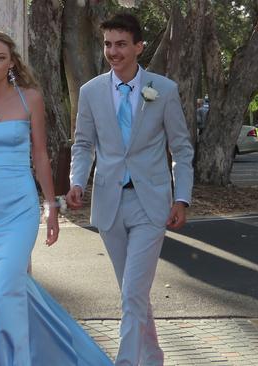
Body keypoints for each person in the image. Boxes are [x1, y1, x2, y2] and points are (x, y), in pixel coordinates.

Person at [0, 30, 112, 366]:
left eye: (0, 57)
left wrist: (52, 207)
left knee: (7, 282)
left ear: (12, 62)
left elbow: (40, 155)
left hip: (19, 204)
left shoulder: (29, 98)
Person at [66, 13, 194, 366]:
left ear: (139, 46)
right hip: (108, 204)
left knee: (133, 292)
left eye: (121, 44)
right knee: (132, 294)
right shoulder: (90, 91)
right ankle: (152, 356)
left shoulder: (163, 90)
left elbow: (181, 148)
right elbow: (83, 145)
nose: (112, 51)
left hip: (150, 204)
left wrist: (181, 197)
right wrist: (77, 181)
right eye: (108, 44)